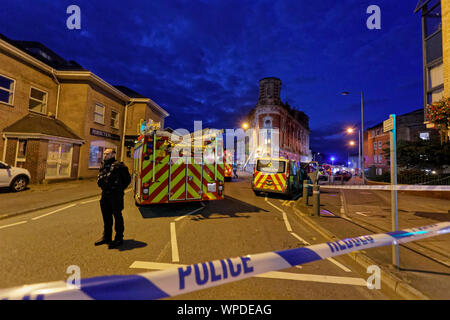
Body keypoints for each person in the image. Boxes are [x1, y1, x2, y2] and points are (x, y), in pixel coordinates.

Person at [95, 148, 131, 249]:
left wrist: (119, 190)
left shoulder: (120, 166)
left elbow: (127, 180)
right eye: (105, 153)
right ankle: (106, 237)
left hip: (116, 196)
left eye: (107, 153)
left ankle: (119, 238)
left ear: (113, 154)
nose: (105, 155)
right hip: (105, 195)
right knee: (106, 217)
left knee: (117, 216)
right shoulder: (104, 165)